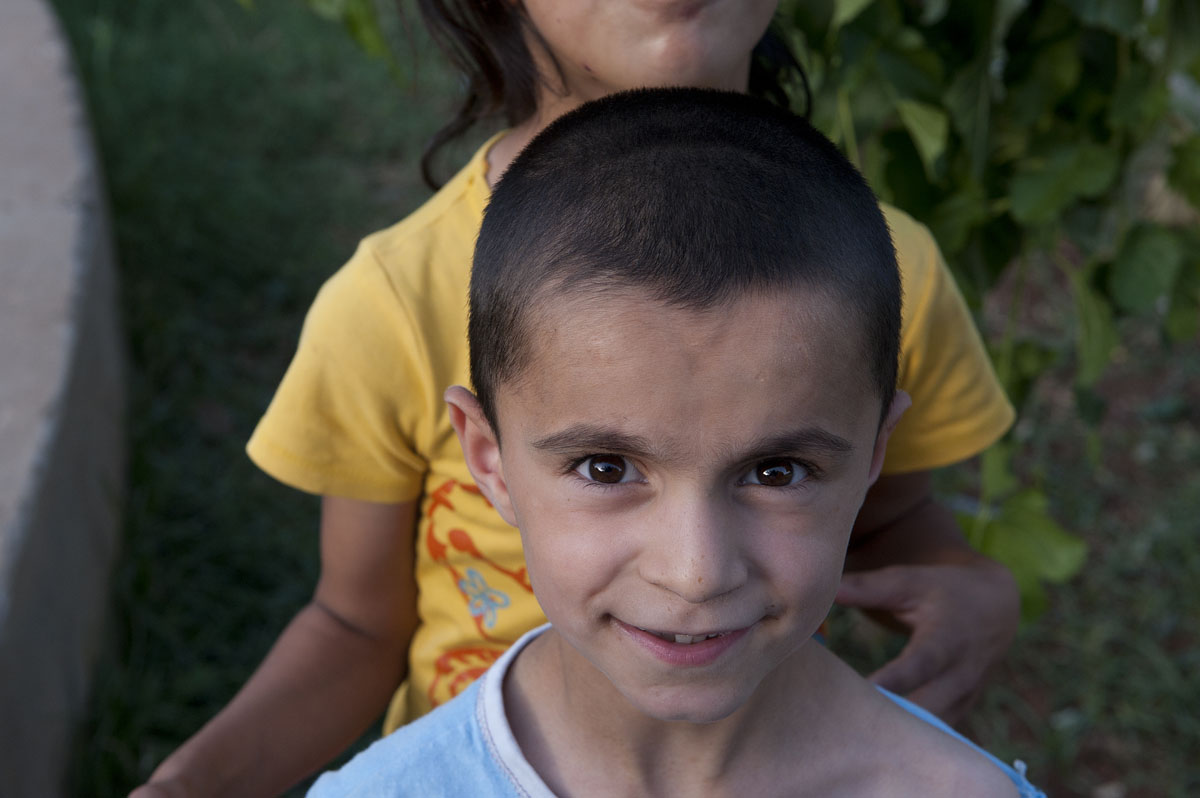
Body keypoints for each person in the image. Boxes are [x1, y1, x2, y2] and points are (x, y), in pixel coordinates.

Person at [133, 3, 1019, 796]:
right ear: (487, 455)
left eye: (775, 468)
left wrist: (969, 582)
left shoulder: (876, 277)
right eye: (603, 466)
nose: (695, 571)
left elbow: (890, 514)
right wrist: (192, 784)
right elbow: (356, 623)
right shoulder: (393, 300)